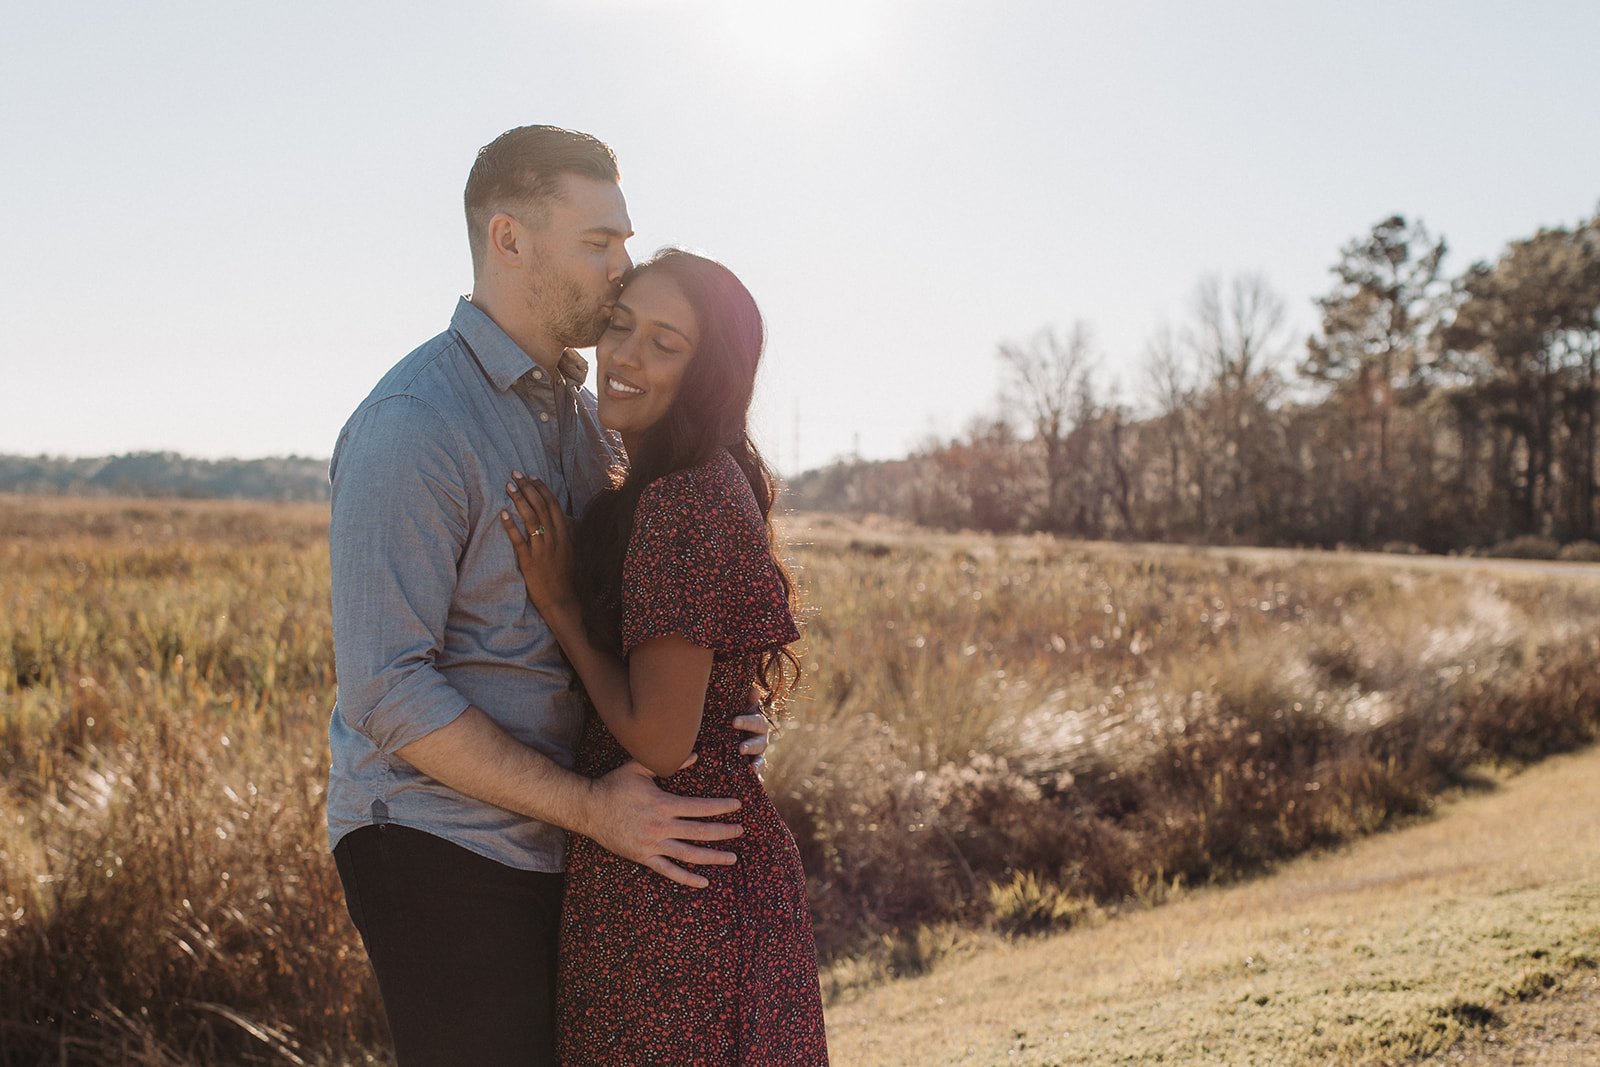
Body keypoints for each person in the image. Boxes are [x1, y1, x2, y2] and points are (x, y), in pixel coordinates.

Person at [326, 126, 772, 1065]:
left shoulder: (582, 411)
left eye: (623, 240)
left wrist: (727, 710)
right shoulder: (414, 425)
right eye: (598, 242)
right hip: (435, 841)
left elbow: (649, 616)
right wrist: (593, 808)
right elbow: (384, 689)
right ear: (510, 239)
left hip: (563, 841)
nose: (621, 268)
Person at [501, 249, 829, 1064]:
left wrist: (562, 607)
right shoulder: (690, 482)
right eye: (620, 325)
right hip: (690, 873)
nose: (626, 356)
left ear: (706, 372)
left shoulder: (682, 498)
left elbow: (660, 739)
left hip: (679, 893)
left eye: (665, 342)